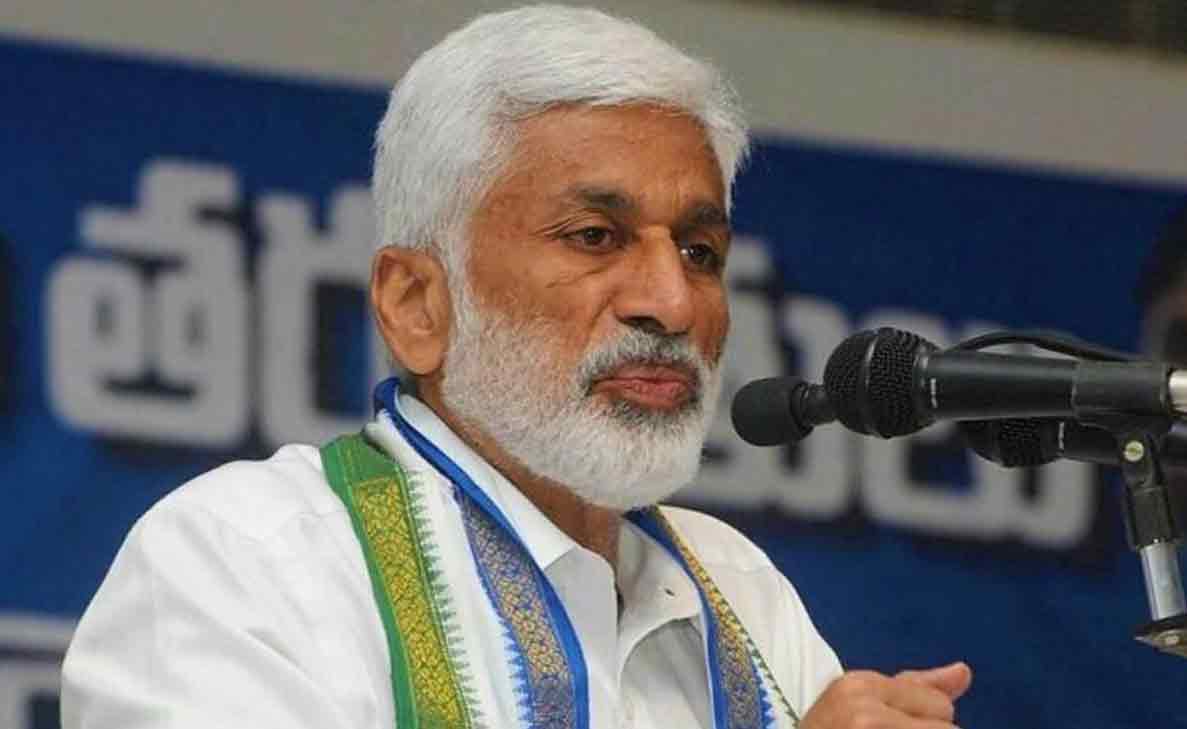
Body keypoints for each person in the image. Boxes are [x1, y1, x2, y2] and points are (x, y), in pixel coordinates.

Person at [61, 6, 972, 728]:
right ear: (417, 304)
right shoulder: (250, 560)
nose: (672, 302)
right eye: (595, 236)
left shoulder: (737, 587)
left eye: (699, 251)